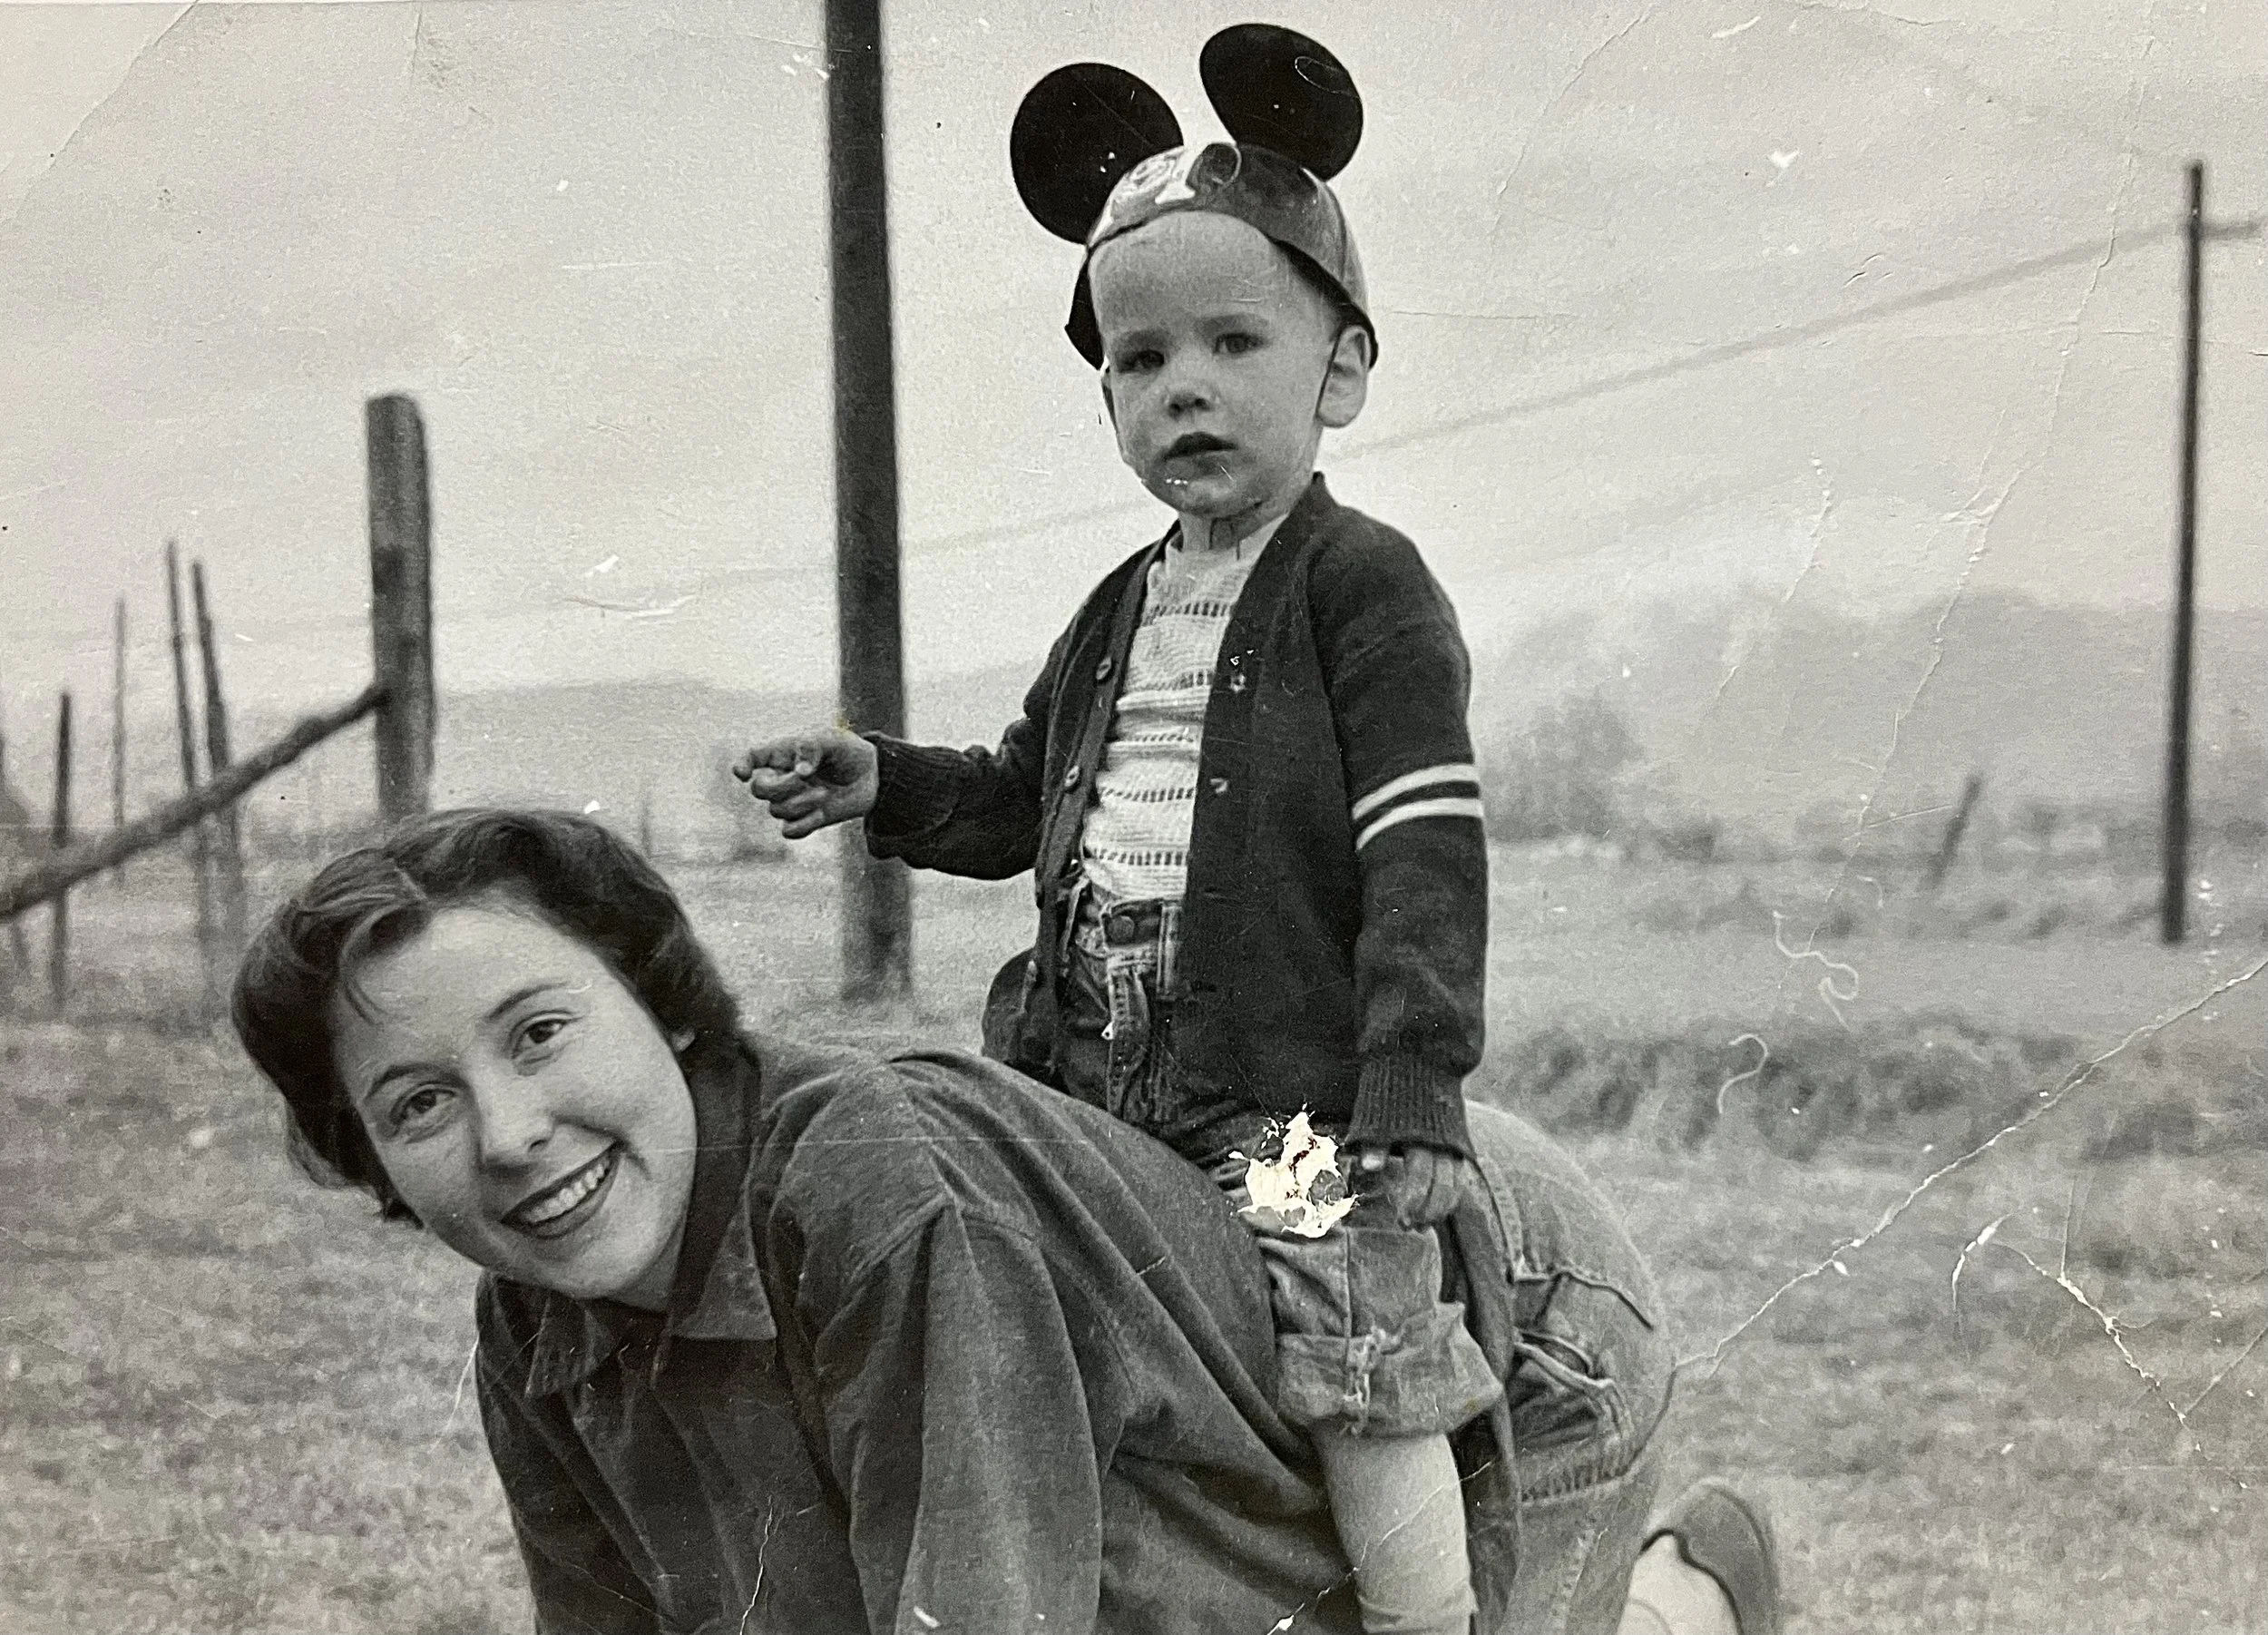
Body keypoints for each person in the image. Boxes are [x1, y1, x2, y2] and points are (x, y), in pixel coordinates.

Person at [230, 806, 1779, 1634]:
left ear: (661, 1001)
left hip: (1465, 1297)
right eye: (417, 1103)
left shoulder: (881, 1200)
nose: (509, 1134)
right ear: (366, 1154)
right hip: (1210, 1460)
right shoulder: (536, 1328)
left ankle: (1679, 1600)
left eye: (541, 1030)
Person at [739, 27, 1500, 1633]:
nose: (1187, 388)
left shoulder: (1363, 588)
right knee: (1038, 1333)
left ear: (1342, 368)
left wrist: (1412, 1076)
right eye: (1141, 361)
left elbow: (1423, 846)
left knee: (1358, 1363)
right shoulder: (1113, 611)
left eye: (1235, 340)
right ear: (1105, 396)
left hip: (1290, 1098)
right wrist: (884, 777)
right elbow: (1028, 793)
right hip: (1091, 1077)